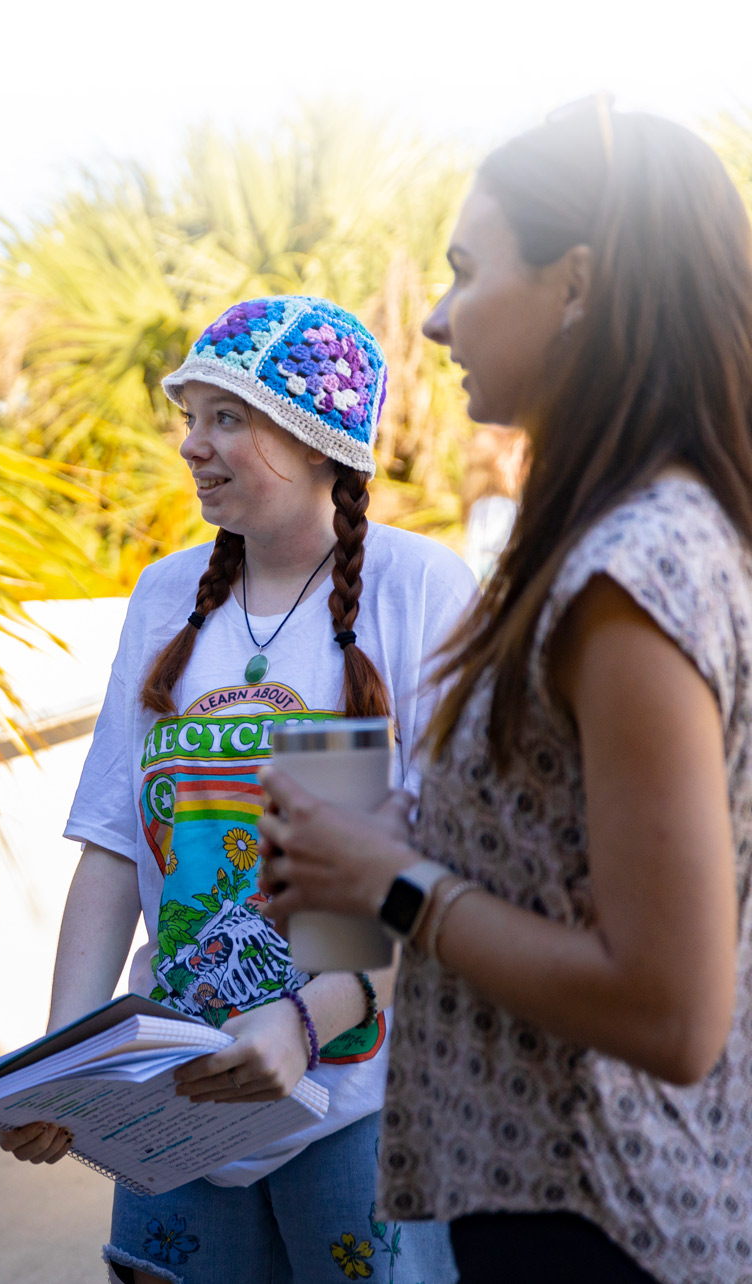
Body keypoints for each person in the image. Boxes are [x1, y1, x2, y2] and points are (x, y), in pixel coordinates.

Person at [255, 106, 752, 1284]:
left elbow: (669, 1010)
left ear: (575, 283)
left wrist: (392, 885)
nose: (433, 317)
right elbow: (577, 861)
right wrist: (392, 843)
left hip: (599, 1228)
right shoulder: (637, 540)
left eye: (466, 273)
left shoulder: (630, 575)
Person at [0, 297, 468, 1284]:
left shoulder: (416, 588)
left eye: (225, 418)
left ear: (312, 442)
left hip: (358, 1099)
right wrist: (64, 1064)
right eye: (188, 417)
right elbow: (114, 846)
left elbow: (455, 869)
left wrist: (308, 1021)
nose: (191, 446)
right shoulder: (165, 594)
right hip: (177, 1107)